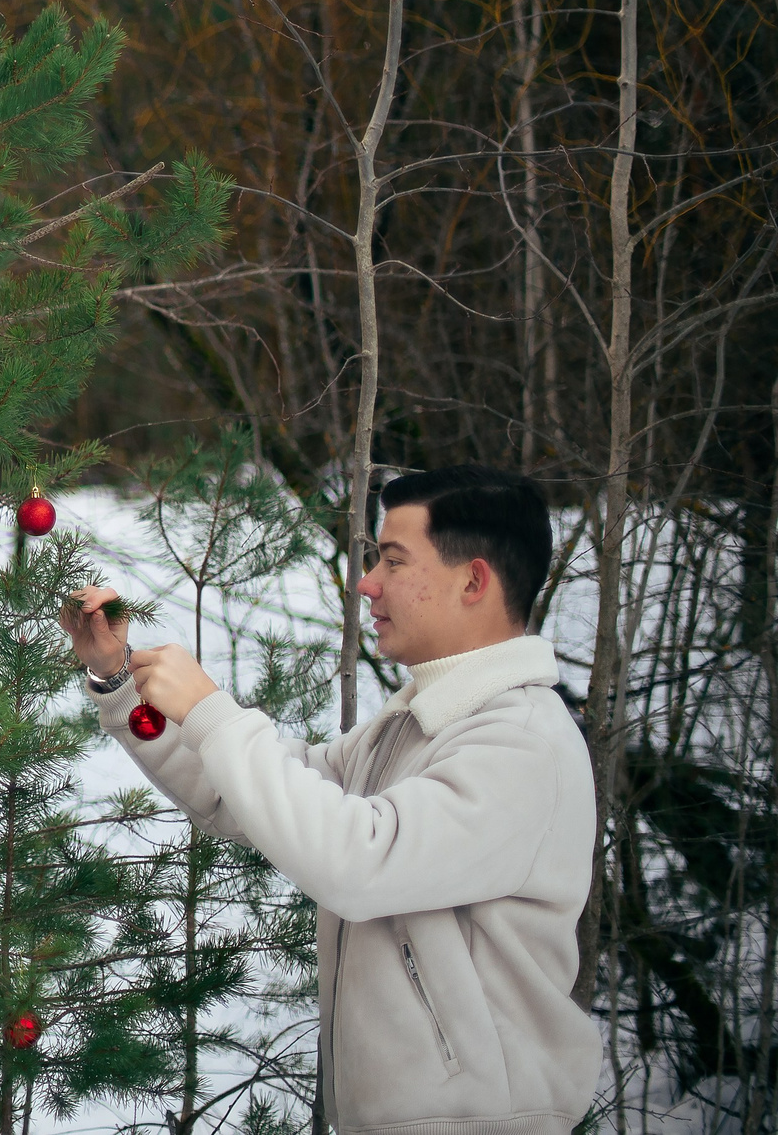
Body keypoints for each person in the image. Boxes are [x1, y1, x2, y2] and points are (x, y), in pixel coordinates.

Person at [62, 465, 602, 1134]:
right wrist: (119, 682)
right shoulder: (415, 726)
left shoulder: (521, 743)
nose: (366, 581)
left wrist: (212, 710)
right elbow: (252, 796)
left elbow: (356, 861)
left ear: (474, 580)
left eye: (393, 560)